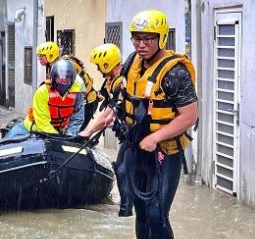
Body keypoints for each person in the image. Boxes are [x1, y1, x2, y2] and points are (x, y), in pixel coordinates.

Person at [82, 10, 198, 239]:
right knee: (142, 213)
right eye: (137, 38)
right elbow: (117, 103)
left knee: (157, 213)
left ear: (161, 38)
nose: (141, 44)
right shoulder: (131, 63)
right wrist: (90, 130)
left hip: (165, 152)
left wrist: (155, 138)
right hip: (136, 150)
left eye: (148, 39)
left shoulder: (175, 73)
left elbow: (189, 116)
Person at [79, 43, 131, 217]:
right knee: (122, 167)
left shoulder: (121, 82)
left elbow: (109, 112)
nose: (97, 69)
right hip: (128, 132)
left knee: (124, 169)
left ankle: (127, 211)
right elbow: (105, 109)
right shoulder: (111, 80)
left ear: (106, 63)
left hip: (138, 132)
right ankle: (127, 208)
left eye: (99, 65)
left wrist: (87, 132)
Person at [4, 59, 84, 139]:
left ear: (72, 80)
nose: (63, 82)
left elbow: (77, 118)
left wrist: (68, 136)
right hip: (33, 129)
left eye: (67, 80)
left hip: (59, 132)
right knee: (7, 143)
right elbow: (42, 122)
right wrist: (57, 137)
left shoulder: (76, 94)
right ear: (53, 77)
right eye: (60, 79)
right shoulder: (42, 92)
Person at [61, 54, 103, 130]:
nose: (40, 59)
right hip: (86, 100)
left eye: (42, 56)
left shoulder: (66, 65)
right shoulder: (64, 63)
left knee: (74, 133)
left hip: (87, 102)